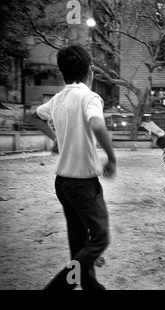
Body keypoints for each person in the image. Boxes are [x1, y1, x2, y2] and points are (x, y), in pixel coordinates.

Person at [31, 45, 116, 290]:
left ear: (62, 73)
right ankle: (58, 287)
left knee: (79, 243)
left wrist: (55, 138)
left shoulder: (57, 99)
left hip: (63, 183)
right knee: (100, 238)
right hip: (82, 182)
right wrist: (111, 158)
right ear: (90, 71)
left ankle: (89, 285)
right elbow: (98, 125)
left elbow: (35, 117)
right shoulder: (89, 97)